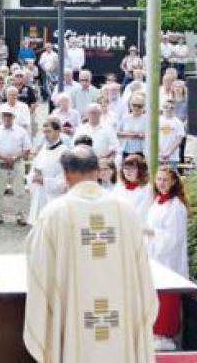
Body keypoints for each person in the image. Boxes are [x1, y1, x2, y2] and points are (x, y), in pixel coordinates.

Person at [24, 146, 157, 362]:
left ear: (66, 174)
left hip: (73, 325)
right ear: (97, 172)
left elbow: (38, 264)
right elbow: (141, 272)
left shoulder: (54, 213)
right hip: (119, 323)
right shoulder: (125, 211)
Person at [145, 166, 189, 351]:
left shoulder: (176, 206)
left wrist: (151, 234)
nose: (161, 183)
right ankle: (155, 331)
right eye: (159, 179)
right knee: (155, 297)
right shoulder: (156, 202)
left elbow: (173, 238)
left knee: (168, 299)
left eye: (165, 180)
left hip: (168, 259)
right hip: (154, 256)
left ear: (173, 182)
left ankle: (166, 334)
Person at [0, 106, 32, 226]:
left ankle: (20, 216)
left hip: (17, 163)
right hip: (0, 163)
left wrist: (14, 158)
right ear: (1, 117)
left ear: (13, 117)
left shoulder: (21, 131)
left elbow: (27, 149)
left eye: (9, 116)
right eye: (5, 115)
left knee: (19, 191)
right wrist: (4, 157)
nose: (7, 118)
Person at [27, 117, 66, 225]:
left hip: (54, 198)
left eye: (49, 131)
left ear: (58, 131)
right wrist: (33, 177)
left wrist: (44, 181)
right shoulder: (43, 149)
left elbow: (64, 179)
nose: (46, 135)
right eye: (44, 132)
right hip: (39, 194)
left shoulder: (64, 153)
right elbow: (34, 167)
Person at [112, 153, 152, 221]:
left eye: (132, 168)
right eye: (126, 168)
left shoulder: (147, 189)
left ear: (141, 170)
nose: (128, 171)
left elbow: (141, 213)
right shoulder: (119, 186)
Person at [158, 101, 185, 169]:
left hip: (173, 157)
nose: (168, 109)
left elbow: (179, 140)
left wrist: (169, 153)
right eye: (166, 107)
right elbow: (154, 138)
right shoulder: (157, 120)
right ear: (162, 108)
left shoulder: (178, 122)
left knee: (172, 177)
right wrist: (161, 152)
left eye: (171, 108)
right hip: (158, 156)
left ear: (174, 109)